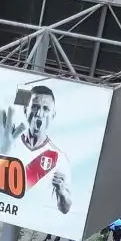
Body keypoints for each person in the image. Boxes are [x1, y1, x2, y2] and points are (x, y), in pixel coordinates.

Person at [16, 86, 75, 216]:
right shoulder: (11, 144)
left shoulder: (59, 157)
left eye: (46, 109)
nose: (39, 113)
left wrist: (61, 192)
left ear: (53, 115)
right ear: (25, 110)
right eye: (35, 106)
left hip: (33, 222)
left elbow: (65, 208)